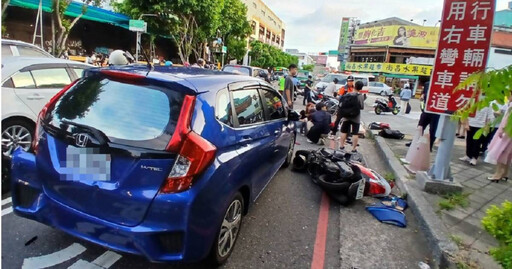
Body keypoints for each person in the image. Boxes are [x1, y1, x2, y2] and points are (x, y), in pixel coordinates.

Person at [406, 81, 440, 151]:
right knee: (420, 127)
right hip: (426, 110)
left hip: (436, 111)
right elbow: (424, 92)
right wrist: (422, 95)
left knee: (433, 129)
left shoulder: (441, 84)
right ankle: (415, 142)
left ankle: (429, 146)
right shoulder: (427, 83)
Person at [485, 102, 512, 182]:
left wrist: (503, 128)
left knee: (500, 151)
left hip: (507, 131)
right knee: (508, 152)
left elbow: (508, 117)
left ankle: (498, 173)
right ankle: (505, 173)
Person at [339, 80, 365, 152]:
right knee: (355, 133)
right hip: (356, 117)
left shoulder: (347, 94)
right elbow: (362, 107)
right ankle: (353, 148)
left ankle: (341, 146)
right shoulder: (360, 96)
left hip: (346, 116)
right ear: (361, 88)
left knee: (344, 131)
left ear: (354, 86)